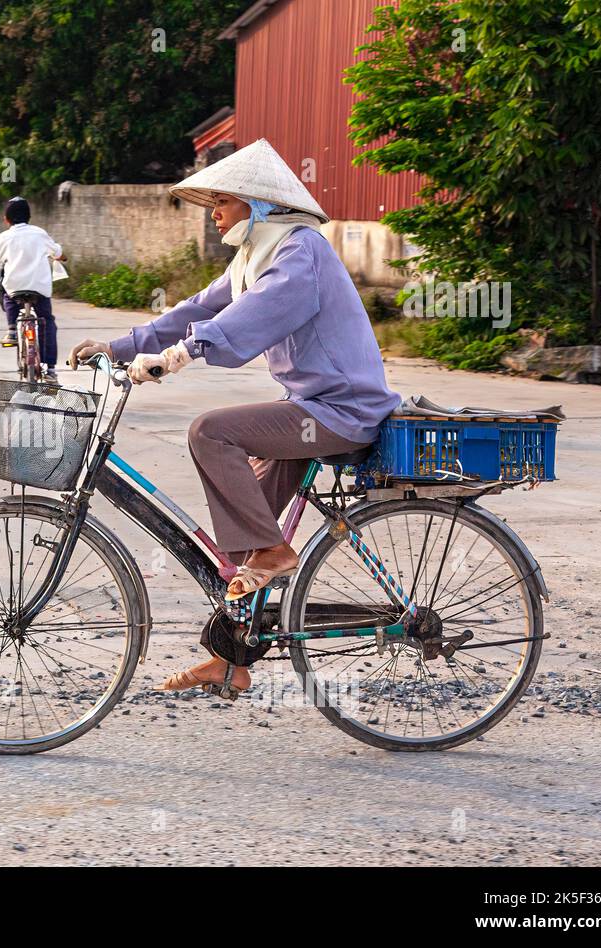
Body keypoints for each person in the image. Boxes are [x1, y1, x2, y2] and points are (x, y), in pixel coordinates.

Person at [67, 138, 401, 697]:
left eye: (222, 200)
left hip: (342, 411)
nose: (214, 212)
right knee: (238, 552)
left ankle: (274, 553)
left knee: (211, 431)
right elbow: (200, 308)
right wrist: (122, 346)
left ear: (259, 203)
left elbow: (250, 316)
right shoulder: (256, 256)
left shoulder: (301, 254)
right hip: (310, 410)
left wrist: (181, 355)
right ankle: (230, 659)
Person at [0, 196, 66, 384]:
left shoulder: (5, 237)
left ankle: (12, 329)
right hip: (39, 289)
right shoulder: (39, 233)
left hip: (15, 288)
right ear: (29, 216)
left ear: (6, 219)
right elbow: (57, 252)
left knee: (6, 292)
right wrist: (62, 257)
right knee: (47, 321)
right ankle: (50, 369)